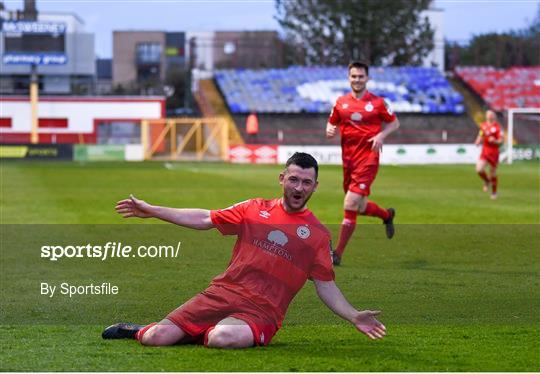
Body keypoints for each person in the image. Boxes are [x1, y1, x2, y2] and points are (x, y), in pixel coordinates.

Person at [102, 152, 386, 348]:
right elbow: (204, 218)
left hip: (262, 312)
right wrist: (153, 211)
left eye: (306, 182)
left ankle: (204, 332)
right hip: (222, 293)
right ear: (282, 178)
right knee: (155, 337)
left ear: (315, 187)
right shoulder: (253, 209)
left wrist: (353, 315)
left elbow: (326, 286)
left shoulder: (317, 236)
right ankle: (138, 329)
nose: (299, 187)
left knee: (222, 338)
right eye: (294, 179)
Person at [326, 61, 400, 266]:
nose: (357, 80)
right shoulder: (340, 102)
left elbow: (395, 122)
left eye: (361, 76)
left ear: (367, 78)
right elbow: (331, 122)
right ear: (348, 78)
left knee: (349, 203)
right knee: (359, 207)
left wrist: (382, 135)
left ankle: (337, 254)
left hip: (368, 158)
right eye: (353, 76)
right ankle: (386, 215)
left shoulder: (378, 103)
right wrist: (329, 130)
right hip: (348, 160)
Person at [475, 110, 503, 199]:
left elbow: (501, 141)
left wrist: (495, 141)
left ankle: (494, 193)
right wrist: (478, 140)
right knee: (479, 169)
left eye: (491, 115)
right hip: (485, 151)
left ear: (494, 117)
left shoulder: (498, 127)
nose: (489, 116)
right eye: (488, 115)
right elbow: (481, 134)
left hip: (494, 152)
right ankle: (487, 181)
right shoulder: (483, 125)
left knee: (493, 173)